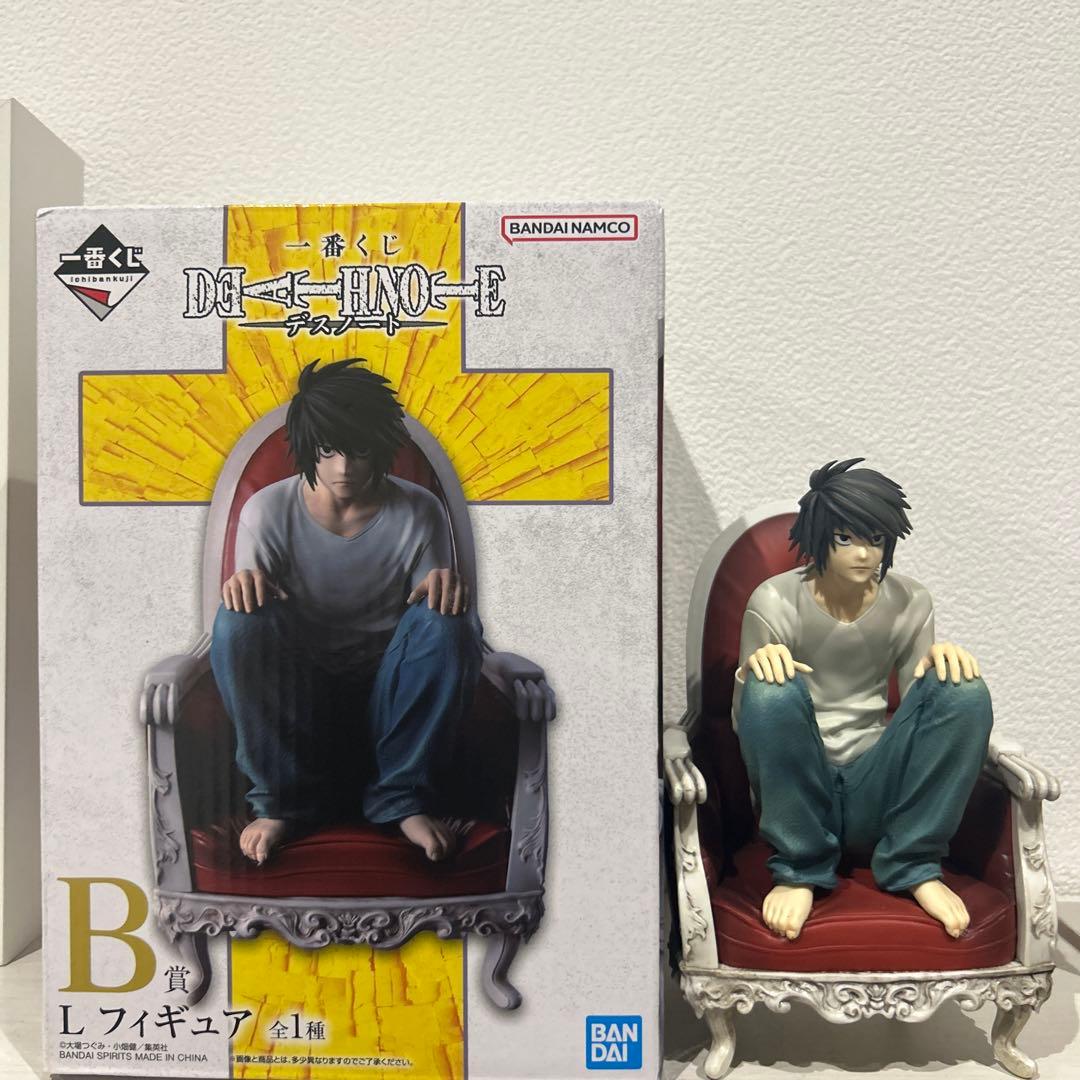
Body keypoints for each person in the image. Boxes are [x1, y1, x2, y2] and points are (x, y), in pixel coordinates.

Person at [209, 358, 483, 866]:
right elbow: (254, 621)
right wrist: (244, 585)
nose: (343, 468)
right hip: (300, 696)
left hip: (389, 694)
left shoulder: (419, 509)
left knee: (448, 618)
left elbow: (432, 630)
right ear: (306, 446)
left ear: (380, 446)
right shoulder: (267, 510)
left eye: (358, 451)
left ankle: (403, 797)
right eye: (327, 451)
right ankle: (281, 801)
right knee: (239, 619)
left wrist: (444, 587)